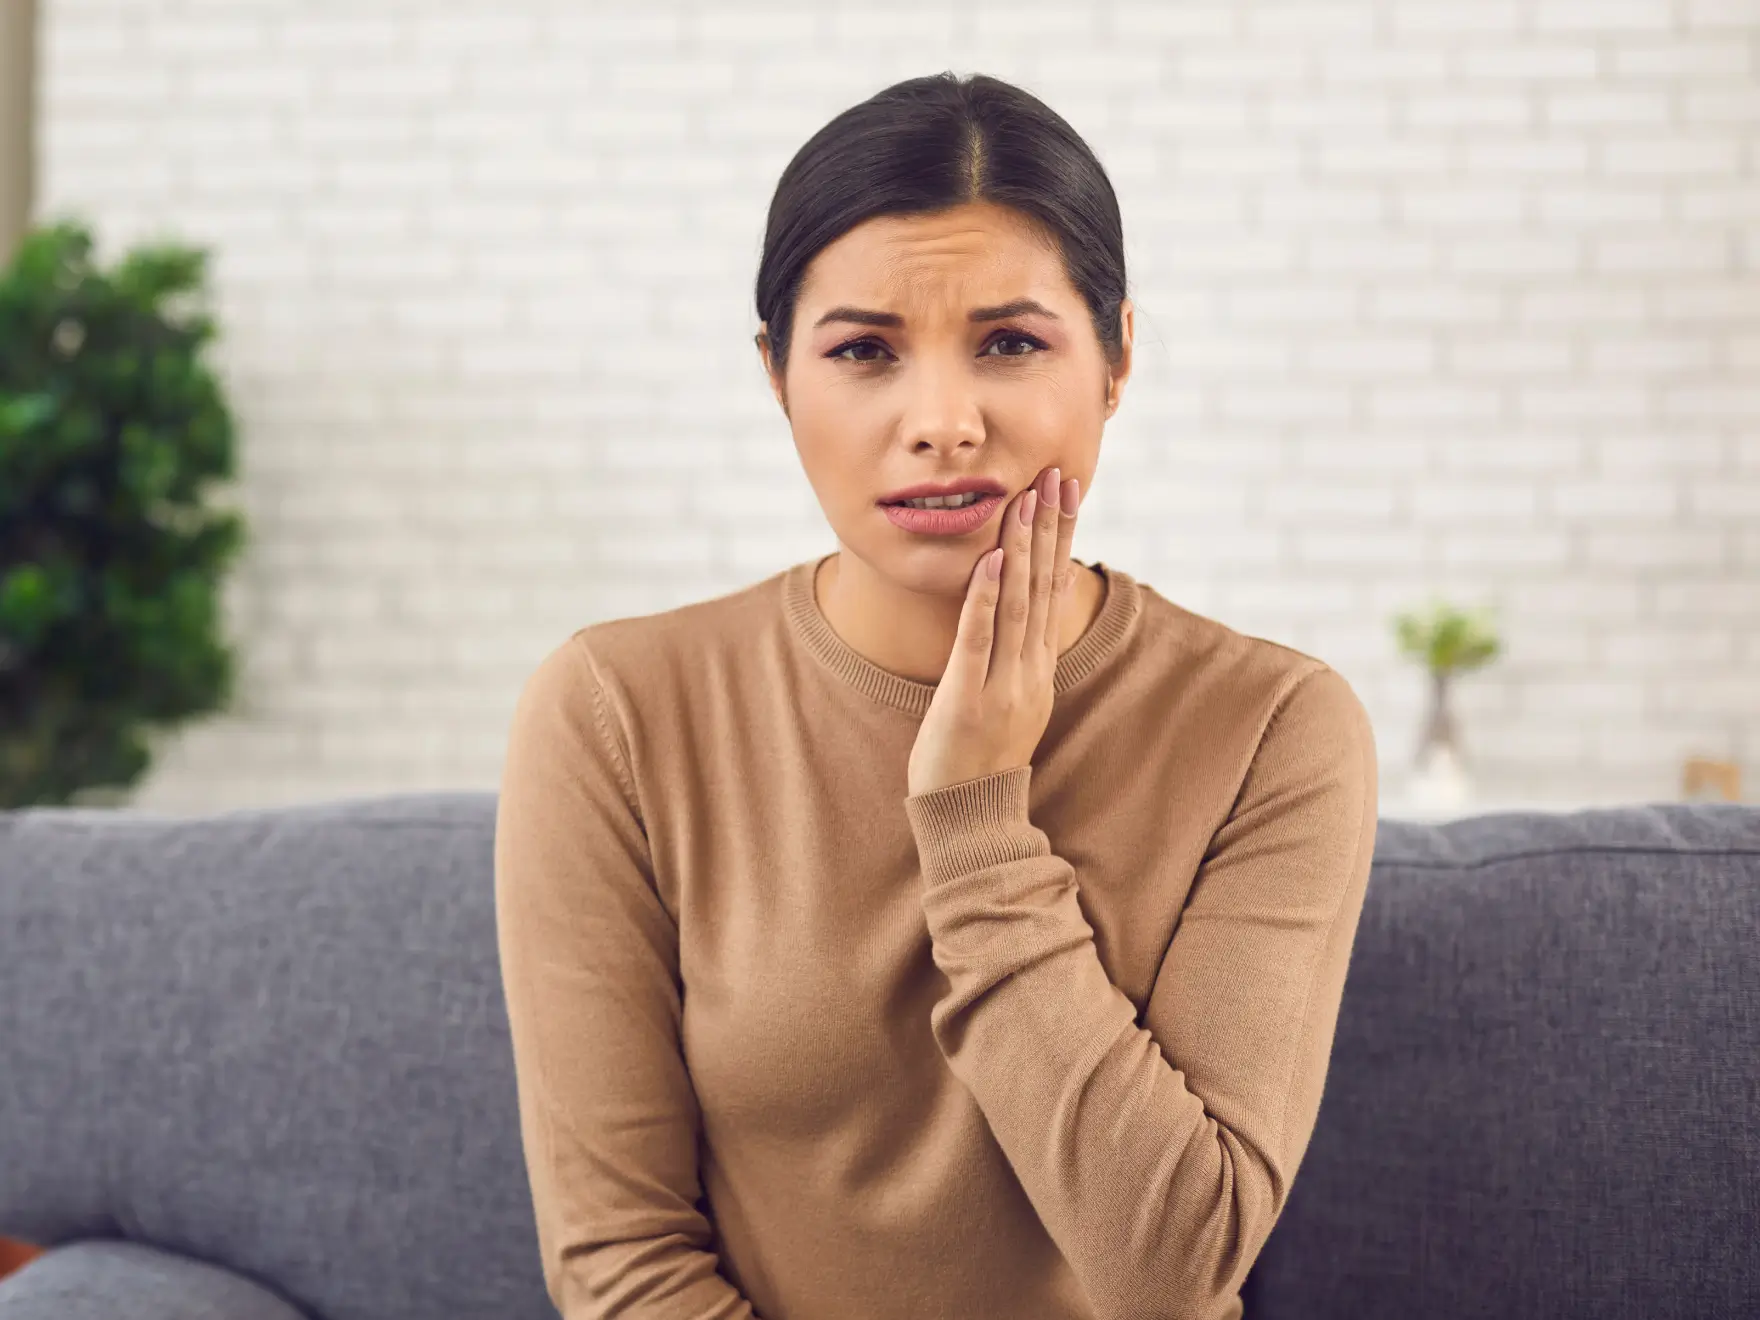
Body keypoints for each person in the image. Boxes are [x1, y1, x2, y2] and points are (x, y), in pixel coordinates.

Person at [494, 71, 1379, 1320]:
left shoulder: (1272, 728)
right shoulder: (615, 712)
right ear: (776, 378)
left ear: (1117, 359)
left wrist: (974, 821)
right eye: (862, 351)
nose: (941, 423)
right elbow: (620, 1268)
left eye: (1009, 344)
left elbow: (1172, 1268)